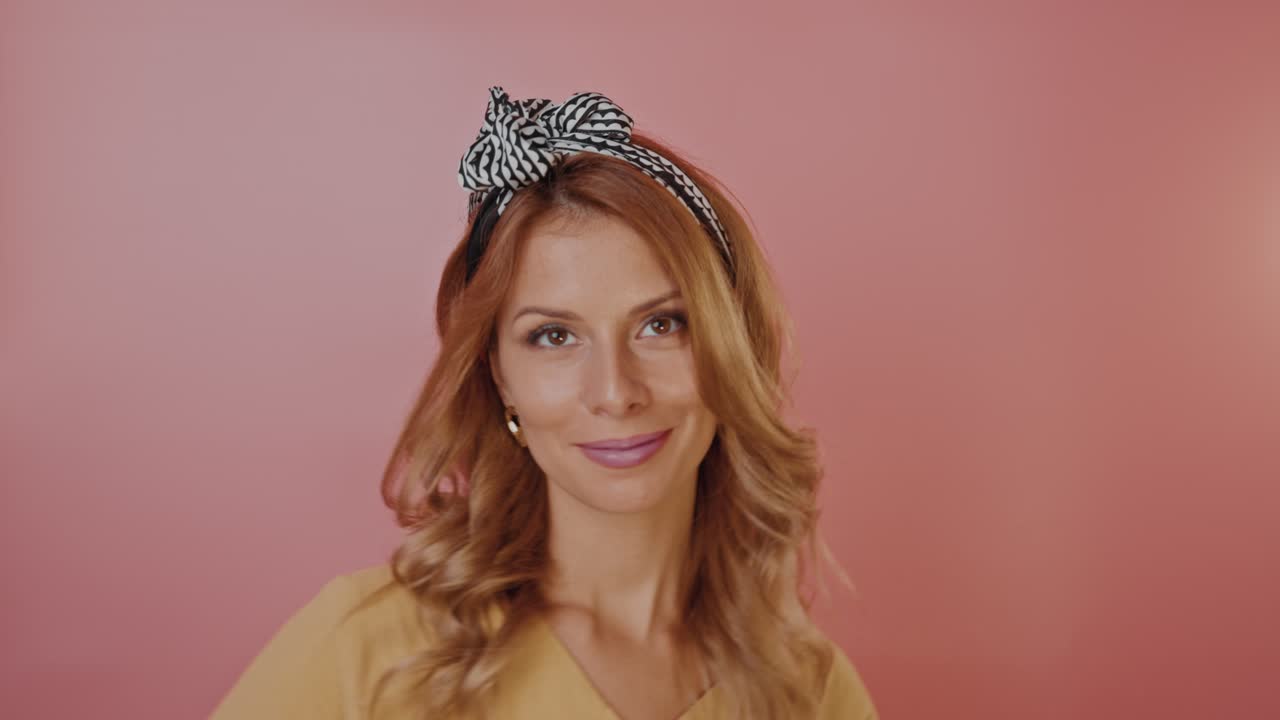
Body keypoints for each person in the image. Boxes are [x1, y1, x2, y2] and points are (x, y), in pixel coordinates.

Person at [211, 86, 879, 720]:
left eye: (662, 324)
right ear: (500, 376)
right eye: (554, 336)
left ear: (734, 345)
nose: (615, 392)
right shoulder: (363, 650)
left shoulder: (809, 691)